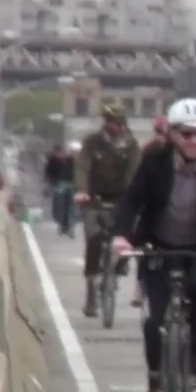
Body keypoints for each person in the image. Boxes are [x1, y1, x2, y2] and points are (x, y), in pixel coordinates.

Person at [110, 98, 196, 392]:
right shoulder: (154, 161)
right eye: (187, 134)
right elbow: (131, 201)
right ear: (172, 133)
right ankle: (156, 385)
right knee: (155, 321)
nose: (194, 142)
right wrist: (122, 235)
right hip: (159, 245)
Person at [74, 104, 142, 317]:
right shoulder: (92, 142)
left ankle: (120, 265)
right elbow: (82, 167)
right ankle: (92, 288)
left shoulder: (131, 145)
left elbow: (134, 171)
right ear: (107, 123)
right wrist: (82, 190)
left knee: (129, 236)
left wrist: (134, 197)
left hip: (121, 198)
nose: (117, 127)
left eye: (121, 123)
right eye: (114, 123)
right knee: (94, 237)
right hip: (94, 198)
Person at [43, 145, 76, 236]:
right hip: (59, 184)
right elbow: (48, 172)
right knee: (60, 206)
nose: (62, 154)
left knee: (71, 206)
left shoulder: (72, 160)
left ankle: (69, 226)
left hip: (71, 184)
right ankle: (62, 224)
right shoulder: (53, 161)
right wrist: (49, 183)